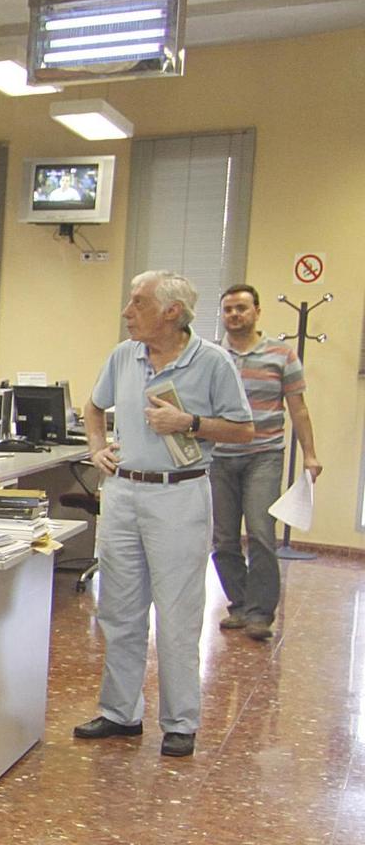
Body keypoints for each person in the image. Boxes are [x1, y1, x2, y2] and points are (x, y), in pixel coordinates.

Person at [74, 271, 253, 759]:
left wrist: (189, 422)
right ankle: (120, 712)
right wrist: (96, 448)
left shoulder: (211, 361)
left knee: (176, 613)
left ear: (172, 312)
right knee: (119, 608)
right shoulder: (122, 355)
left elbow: (244, 431)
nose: (128, 311)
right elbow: (92, 408)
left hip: (180, 496)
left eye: (138, 303)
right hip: (124, 492)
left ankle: (180, 722)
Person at [211, 283, 320, 642]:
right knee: (224, 538)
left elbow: (298, 408)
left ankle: (260, 613)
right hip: (219, 458)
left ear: (257, 311)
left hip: (263, 456)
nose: (234, 315)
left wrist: (311, 455)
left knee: (259, 532)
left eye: (241, 308)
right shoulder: (212, 355)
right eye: (228, 309)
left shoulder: (281, 354)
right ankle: (239, 604)